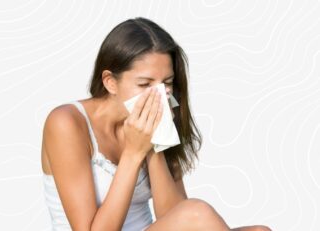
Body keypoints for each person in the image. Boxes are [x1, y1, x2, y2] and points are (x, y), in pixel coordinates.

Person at [41, 17, 272, 231]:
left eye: (167, 83)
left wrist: (155, 143)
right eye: (144, 84)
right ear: (110, 82)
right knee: (198, 212)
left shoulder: (161, 117)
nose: (159, 94)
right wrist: (133, 153)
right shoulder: (66, 123)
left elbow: (175, 218)